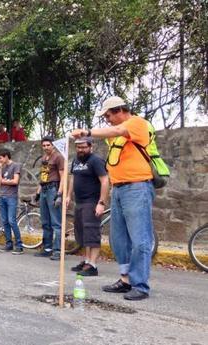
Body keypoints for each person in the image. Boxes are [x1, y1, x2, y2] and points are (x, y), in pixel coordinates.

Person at [72, 96, 155, 301]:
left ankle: (140, 285)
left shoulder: (136, 123)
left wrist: (87, 132)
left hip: (137, 187)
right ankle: (125, 280)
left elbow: (117, 130)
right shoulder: (114, 135)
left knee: (140, 240)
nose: (107, 119)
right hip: (119, 189)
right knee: (118, 240)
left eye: (108, 115)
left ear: (119, 110)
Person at [66, 137, 109, 276]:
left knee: (92, 233)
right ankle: (86, 261)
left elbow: (104, 181)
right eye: (78, 147)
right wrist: (68, 195)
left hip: (92, 202)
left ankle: (93, 265)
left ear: (91, 147)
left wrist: (101, 202)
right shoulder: (76, 160)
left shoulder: (96, 160)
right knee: (83, 234)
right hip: (79, 202)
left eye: (83, 147)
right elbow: (73, 178)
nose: (80, 150)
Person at [34, 136, 64, 260]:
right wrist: (37, 192)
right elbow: (44, 176)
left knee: (56, 223)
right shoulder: (44, 158)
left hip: (53, 189)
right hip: (44, 189)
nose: (46, 147)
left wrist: (60, 194)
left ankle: (57, 251)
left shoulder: (58, 157)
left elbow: (63, 177)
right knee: (45, 221)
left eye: (48, 145)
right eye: (44, 145)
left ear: (53, 145)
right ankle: (47, 248)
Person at [0, 148, 24, 255]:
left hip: (11, 197)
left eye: (0, 158)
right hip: (2, 196)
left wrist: (5, 181)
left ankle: (19, 245)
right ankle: (9, 244)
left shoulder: (15, 166)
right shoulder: (2, 168)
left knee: (12, 220)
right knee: (5, 221)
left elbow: (15, 181)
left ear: (6, 156)